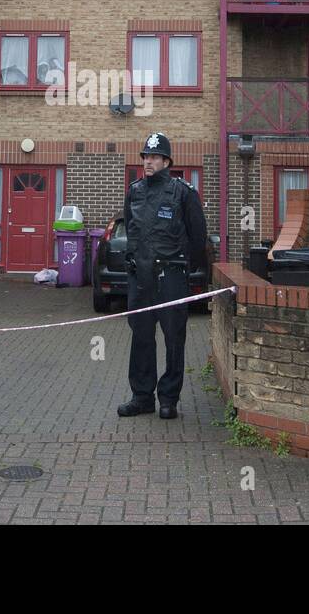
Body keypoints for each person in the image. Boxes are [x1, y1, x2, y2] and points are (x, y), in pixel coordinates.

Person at [117, 132, 208, 419]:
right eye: (145, 156)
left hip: (171, 277)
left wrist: (184, 270)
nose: (148, 161)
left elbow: (198, 237)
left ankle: (168, 399)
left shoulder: (183, 192)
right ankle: (142, 396)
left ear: (167, 161)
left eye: (154, 157)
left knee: (173, 339)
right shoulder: (134, 191)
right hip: (140, 278)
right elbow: (131, 228)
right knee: (141, 337)